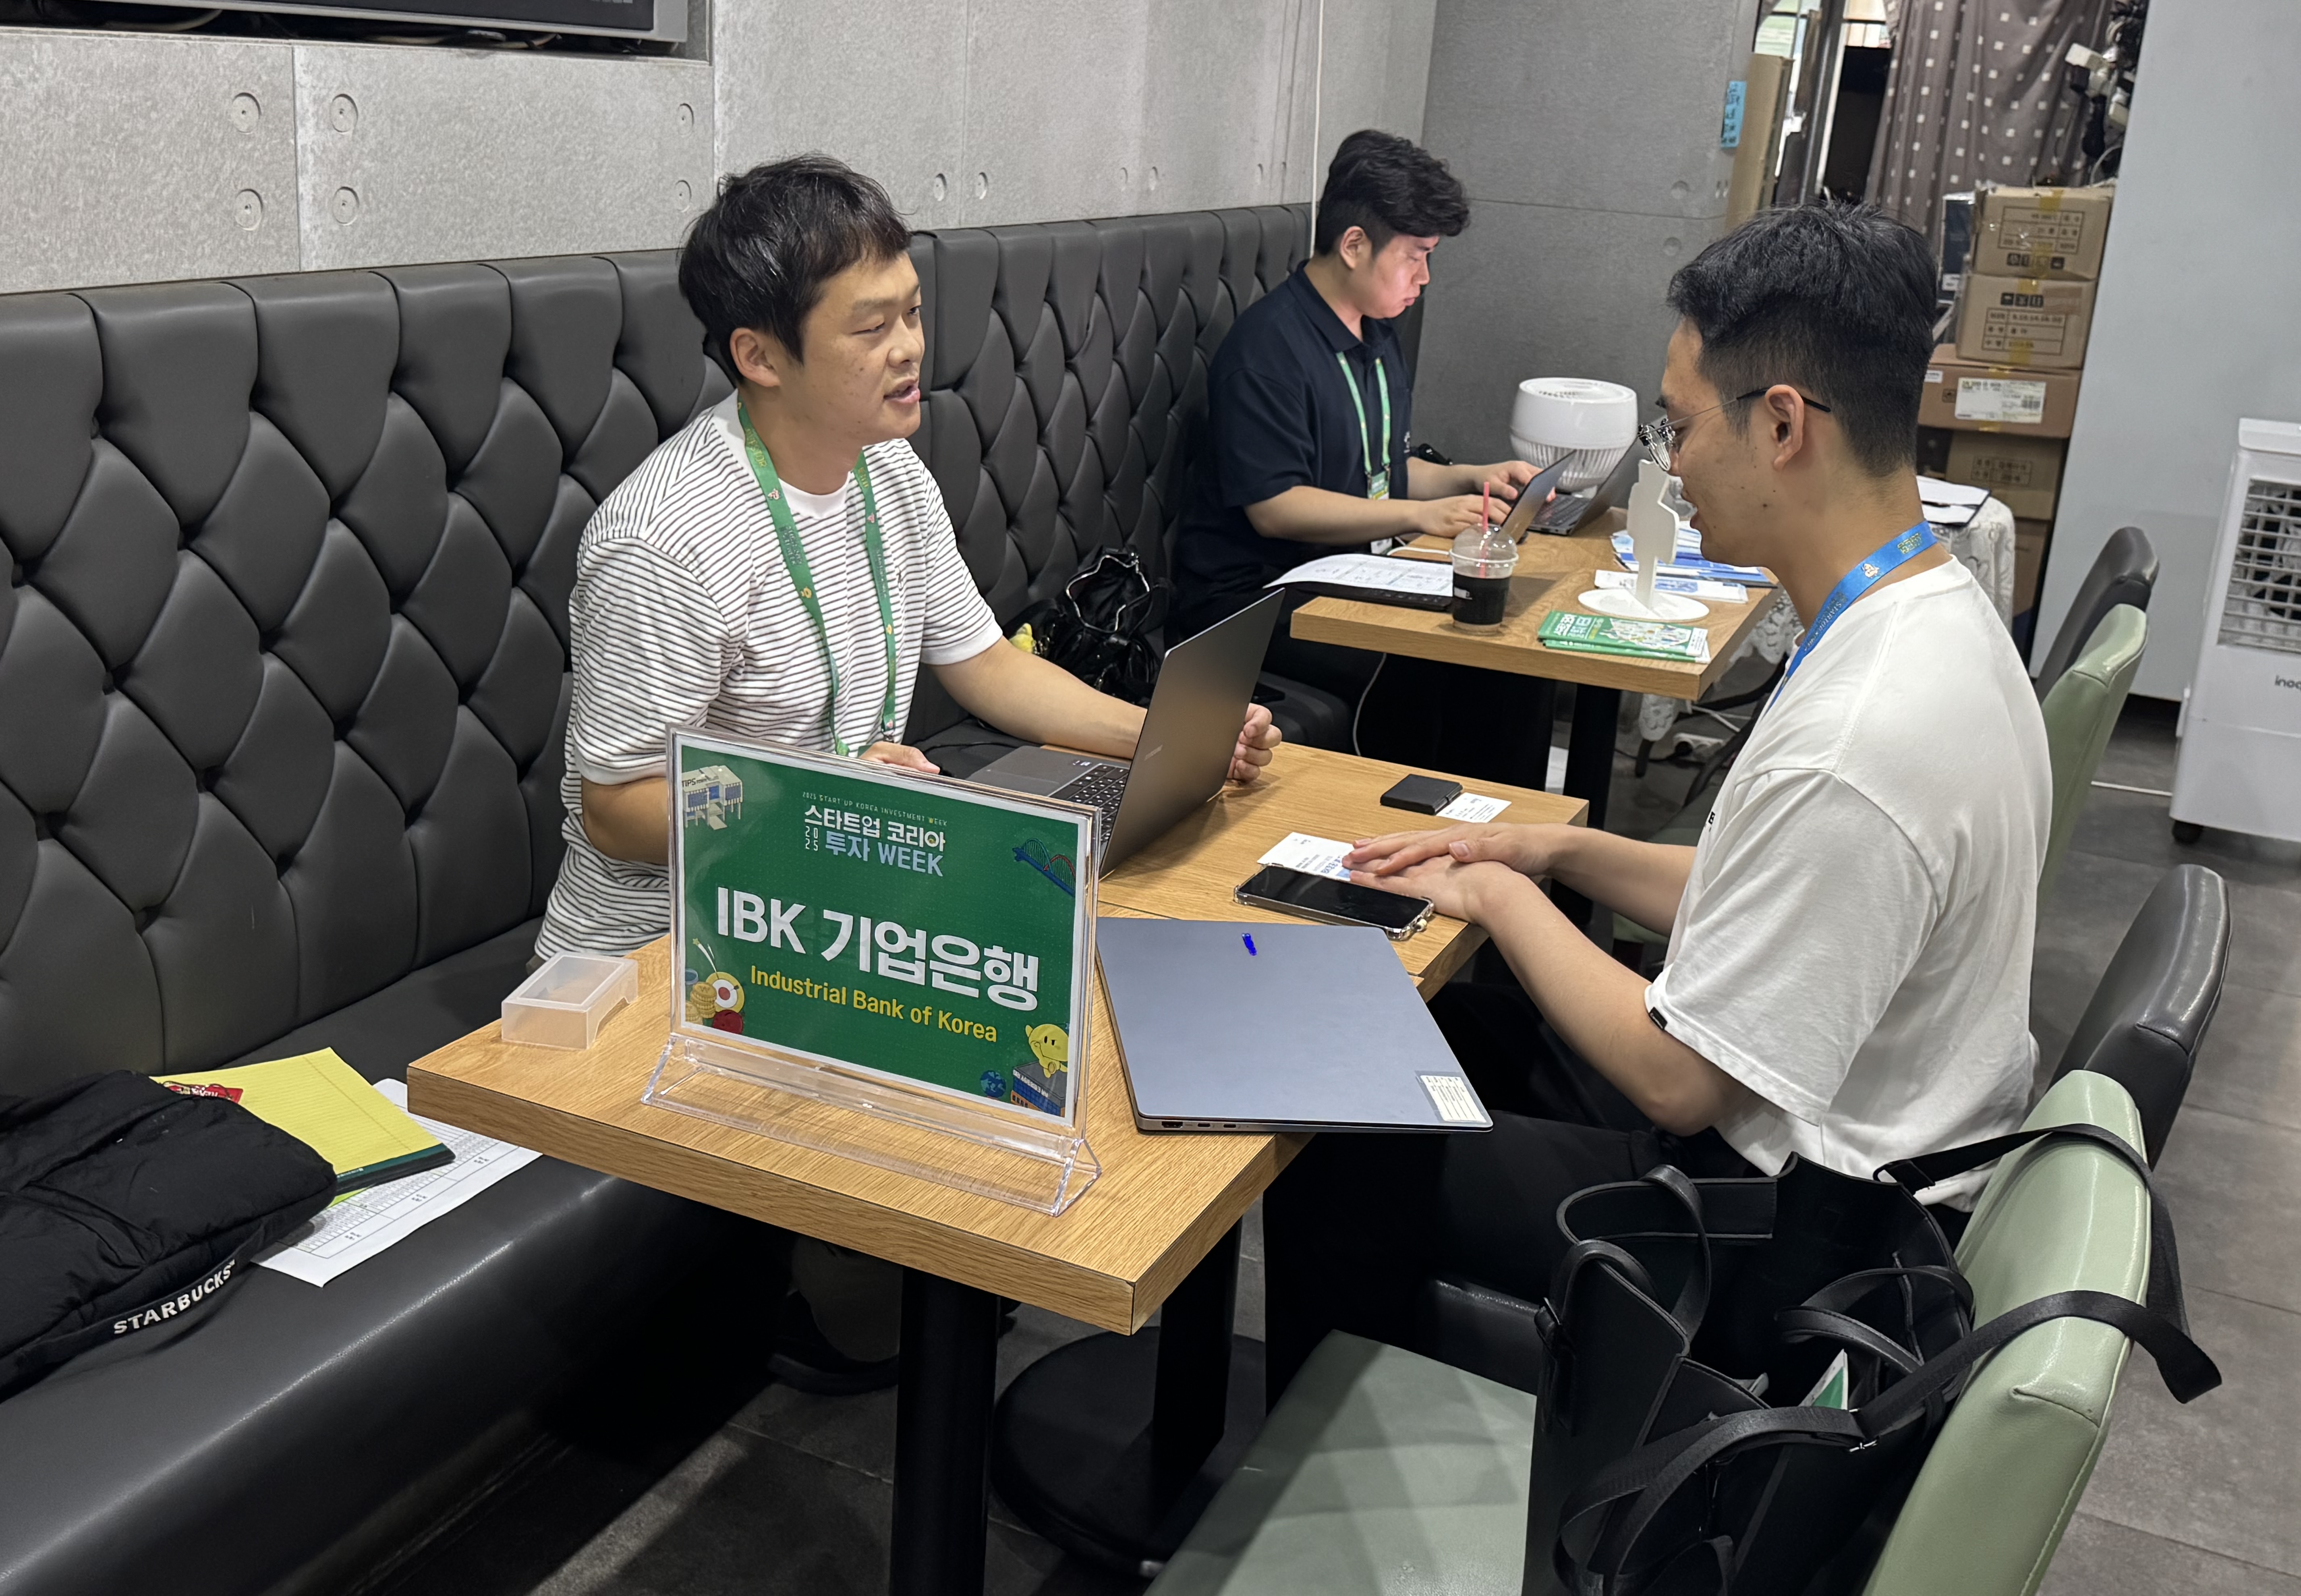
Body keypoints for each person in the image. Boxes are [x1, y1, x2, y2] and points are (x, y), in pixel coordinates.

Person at [1262, 199, 2052, 1396]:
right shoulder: (1936, 617)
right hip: (1814, 1129)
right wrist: (1551, 852)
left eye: (1679, 427)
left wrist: (1498, 894)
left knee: (1331, 1138)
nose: (1669, 465)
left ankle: (1329, 1463)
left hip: (1794, 1228)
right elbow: (1762, 894)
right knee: (1424, 1028)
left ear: (1782, 425)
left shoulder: (1861, 737)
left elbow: (1680, 1083)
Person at [535, 154, 1282, 1387]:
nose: (911, 350)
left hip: (832, 904)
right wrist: (828, 804)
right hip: (668, 959)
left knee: (1096, 984)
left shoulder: (887, 475)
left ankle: (955, 1298)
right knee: (1042, 1016)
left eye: (915, 312)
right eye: (870, 326)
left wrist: (1162, 738)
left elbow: (987, 664)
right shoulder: (664, 541)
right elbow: (615, 811)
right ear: (760, 355)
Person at [1169, 129, 1536, 702]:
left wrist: (1471, 478)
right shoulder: (1267, 350)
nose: (1425, 277)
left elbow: (1381, 468)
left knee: (1505, 639)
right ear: (1355, 245)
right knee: (1447, 662)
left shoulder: (1376, 332)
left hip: (1347, 569)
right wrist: (1420, 515)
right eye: (1415, 256)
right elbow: (1277, 508)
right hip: (1254, 600)